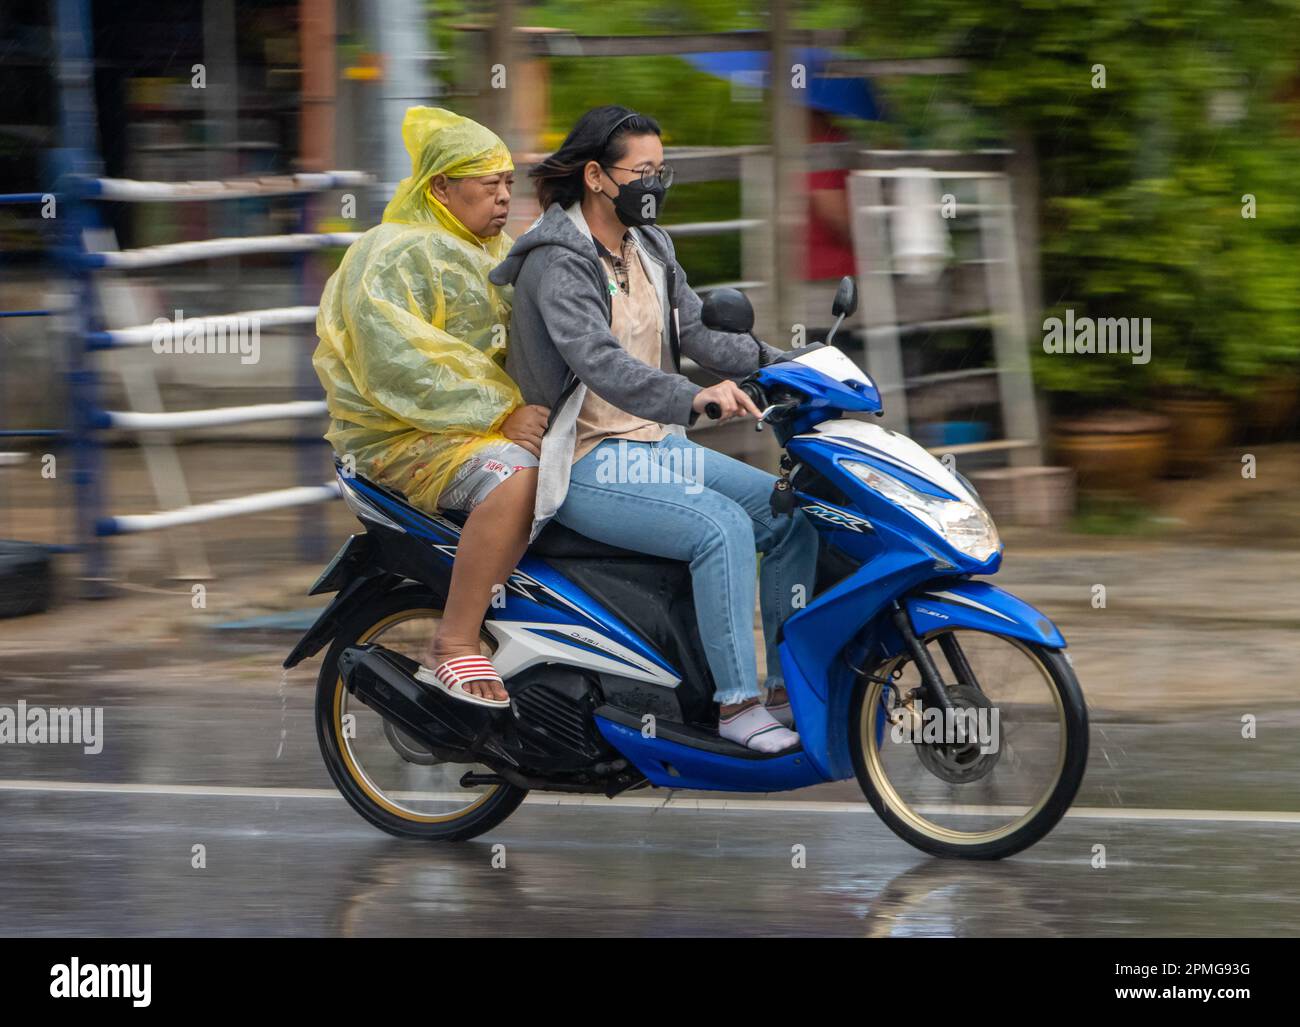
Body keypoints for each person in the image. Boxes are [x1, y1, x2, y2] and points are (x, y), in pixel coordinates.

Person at [490, 106, 820, 753]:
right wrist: (695, 398)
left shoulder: (650, 246)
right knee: (719, 528)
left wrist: (796, 366)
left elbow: (698, 332)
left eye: (660, 171)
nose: (655, 185)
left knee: (792, 516)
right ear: (595, 176)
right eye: (642, 172)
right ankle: (736, 705)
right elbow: (602, 365)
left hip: (652, 444)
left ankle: (787, 689)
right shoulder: (559, 261)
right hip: (584, 457)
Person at [314, 107, 546, 708]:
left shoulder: (497, 251)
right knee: (515, 480)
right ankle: (454, 638)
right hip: (402, 435)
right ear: (440, 186)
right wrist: (500, 412)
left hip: (480, 425)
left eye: (508, 184)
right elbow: (402, 365)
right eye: (486, 183)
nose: (502, 198)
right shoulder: (391, 253)